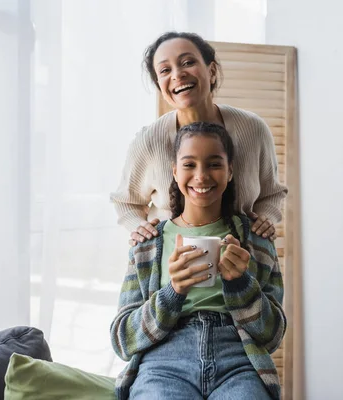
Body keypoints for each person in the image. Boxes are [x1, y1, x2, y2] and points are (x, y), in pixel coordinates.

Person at [110, 122, 286, 400]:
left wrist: (241, 284)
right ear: (175, 171)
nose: (201, 176)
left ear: (230, 172)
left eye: (214, 164)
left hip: (239, 364)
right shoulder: (146, 244)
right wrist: (172, 293)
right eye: (189, 164)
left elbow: (273, 335)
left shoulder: (257, 239)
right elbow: (122, 339)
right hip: (163, 364)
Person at [110, 31, 287, 246]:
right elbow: (126, 202)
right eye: (165, 70)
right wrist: (140, 229)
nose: (177, 74)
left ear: (211, 71)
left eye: (187, 62)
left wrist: (265, 220)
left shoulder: (253, 128)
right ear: (160, 85)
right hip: (170, 263)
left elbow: (272, 194)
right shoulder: (149, 141)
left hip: (244, 256)